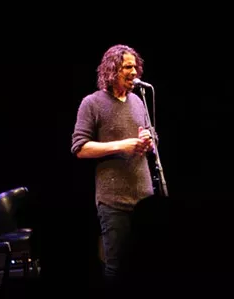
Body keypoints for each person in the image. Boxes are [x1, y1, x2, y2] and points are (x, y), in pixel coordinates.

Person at [70, 44, 155, 287]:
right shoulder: (93, 103)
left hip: (145, 198)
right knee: (116, 267)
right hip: (114, 200)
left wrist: (149, 141)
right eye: (127, 67)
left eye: (135, 66)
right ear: (111, 70)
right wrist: (122, 145)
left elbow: (151, 136)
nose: (134, 72)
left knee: (147, 266)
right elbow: (80, 148)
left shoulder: (139, 101)